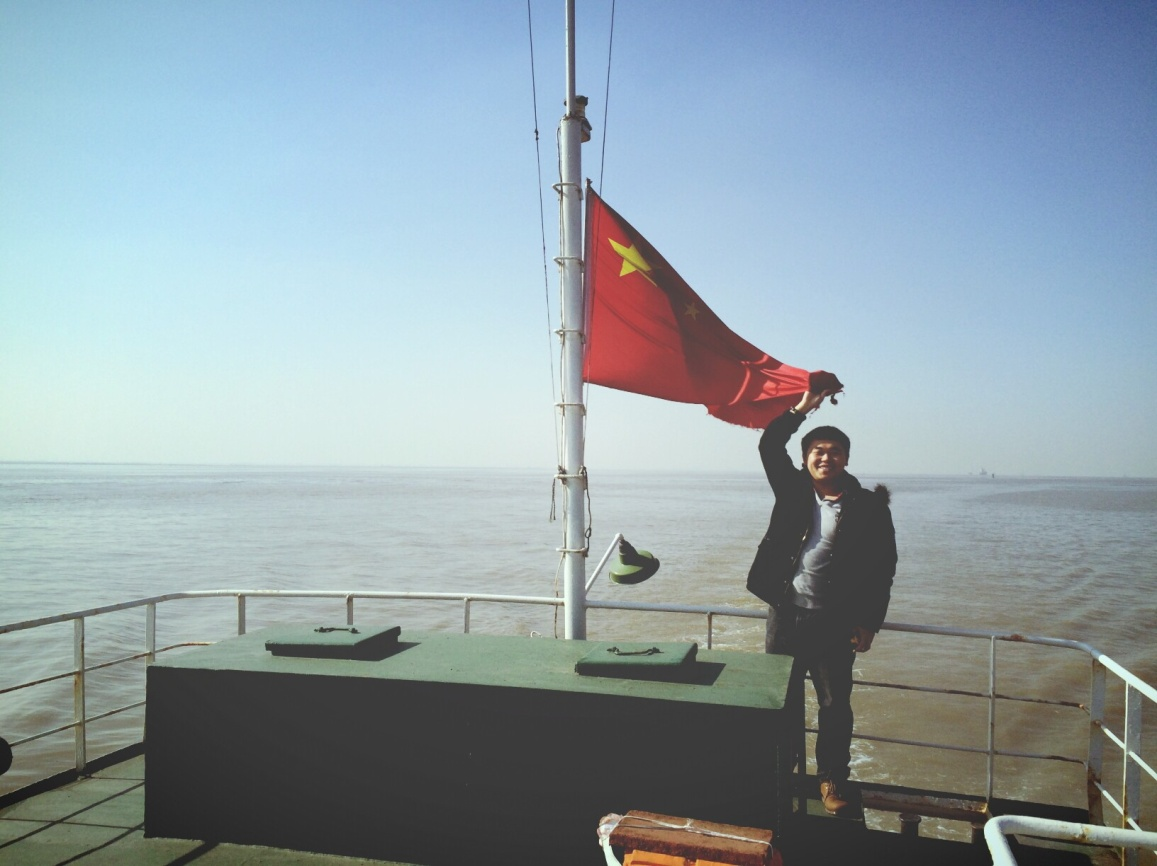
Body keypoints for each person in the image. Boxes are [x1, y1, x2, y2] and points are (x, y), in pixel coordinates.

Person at [746, 388, 897, 815]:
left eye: (833, 451)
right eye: (817, 450)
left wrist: (869, 622)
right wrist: (802, 408)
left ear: (845, 459)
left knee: (834, 706)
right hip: (786, 614)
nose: (825, 457)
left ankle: (831, 779)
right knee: (780, 700)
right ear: (805, 458)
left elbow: (883, 567)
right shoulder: (791, 489)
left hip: (835, 621)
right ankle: (779, 773)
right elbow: (769, 444)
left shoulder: (869, 507)